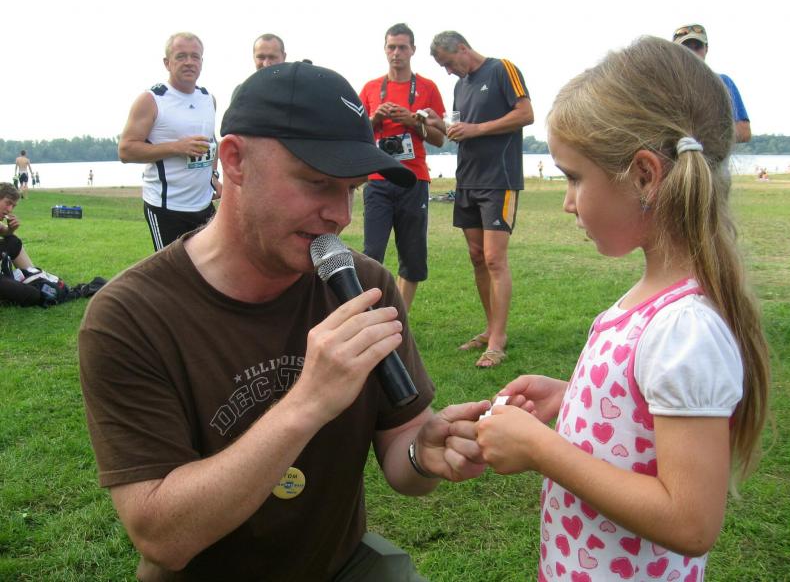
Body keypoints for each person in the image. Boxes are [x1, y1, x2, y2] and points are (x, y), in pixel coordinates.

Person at [79, 61, 490, 581]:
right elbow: (163, 538)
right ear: (234, 160)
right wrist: (308, 401)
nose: (340, 214)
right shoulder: (130, 316)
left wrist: (421, 454)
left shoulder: (364, 287)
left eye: (351, 189)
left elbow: (403, 456)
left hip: (338, 567)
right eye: (317, 182)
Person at [472, 37, 770, 581]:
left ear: (644, 175)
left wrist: (542, 449)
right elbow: (647, 407)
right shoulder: (657, 305)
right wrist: (574, 396)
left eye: (574, 177)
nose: (567, 203)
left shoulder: (685, 327)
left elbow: (690, 521)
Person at [430, 31, 534, 367]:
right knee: (476, 256)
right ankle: (490, 329)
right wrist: (439, 125)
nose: (449, 72)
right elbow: (461, 131)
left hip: (498, 180)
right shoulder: (460, 87)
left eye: (449, 63)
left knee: (494, 259)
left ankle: (498, 341)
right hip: (467, 179)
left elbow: (526, 114)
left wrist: (478, 128)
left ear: (462, 48)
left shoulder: (503, 69)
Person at [359, 23, 446, 310]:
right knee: (372, 253)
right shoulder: (371, 88)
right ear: (385, 50)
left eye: (402, 47)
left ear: (413, 50)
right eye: (391, 47)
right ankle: (369, 315)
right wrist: (375, 119)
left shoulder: (427, 88)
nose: (396, 53)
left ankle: (400, 317)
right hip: (378, 179)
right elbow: (357, 135)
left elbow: (439, 138)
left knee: (412, 255)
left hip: (414, 179)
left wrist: (412, 121)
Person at [118, 32, 221, 252]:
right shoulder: (152, 99)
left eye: (195, 56)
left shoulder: (208, 98)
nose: (189, 62)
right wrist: (176, 147)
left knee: (211, 265)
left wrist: (214, 176)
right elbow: (126, 150)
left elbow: (212, 141)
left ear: (202, 62)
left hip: (203, 204)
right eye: (181, 56)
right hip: (167, 207)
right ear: (167, 63)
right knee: (174, 270)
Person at [672, 24, 751, 143]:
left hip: (712, 154)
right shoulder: (662, 85)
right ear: (674, 51)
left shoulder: (724, 83)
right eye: (686, 48)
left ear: (706, 49)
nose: (692, 53)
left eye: (697, 47)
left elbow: (744, 132)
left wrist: (702, 134)